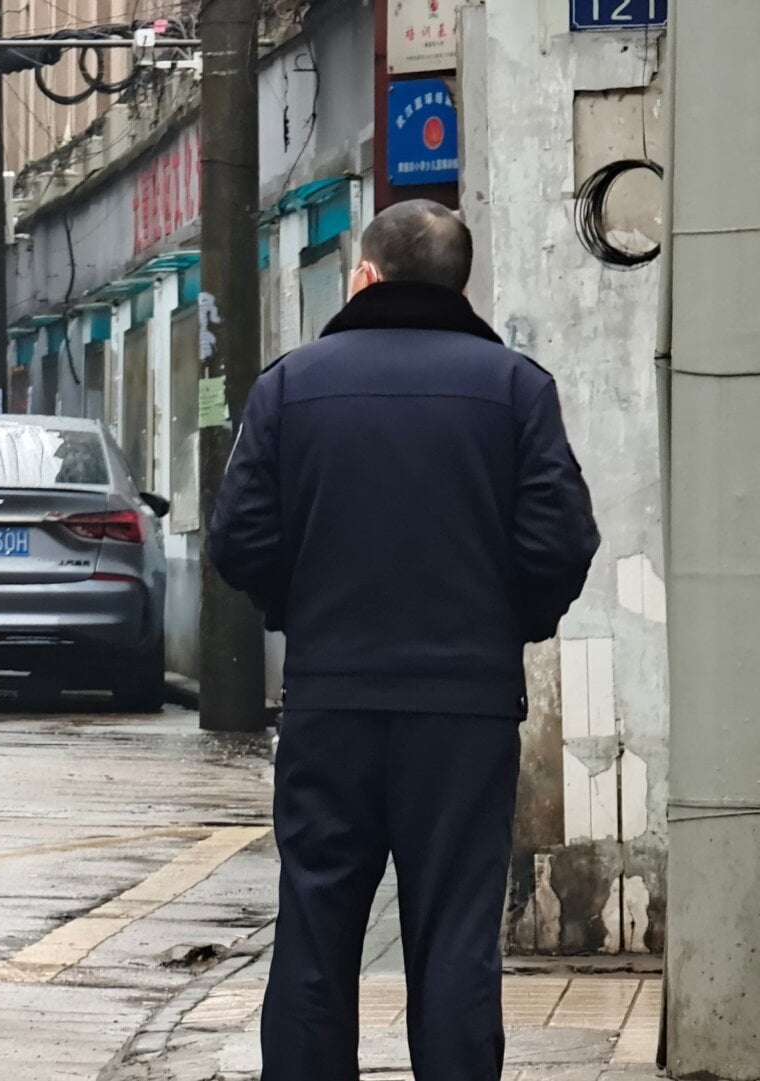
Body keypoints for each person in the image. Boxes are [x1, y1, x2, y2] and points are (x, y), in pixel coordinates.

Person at [209, 200, 600, 1081]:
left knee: (315, 925)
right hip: (464, 709)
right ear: (461, 283)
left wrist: (299, 614)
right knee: (456, 932)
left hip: (331, 700)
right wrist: (507, 627)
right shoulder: (514, 388)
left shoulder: (292, 385)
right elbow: (562, 541)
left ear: (366, 276)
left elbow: (239, 540)